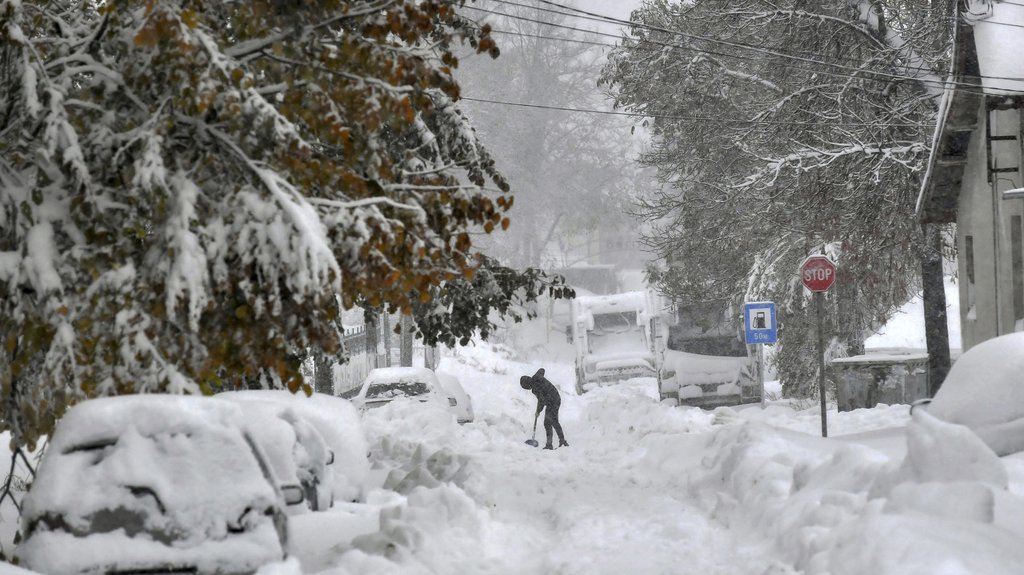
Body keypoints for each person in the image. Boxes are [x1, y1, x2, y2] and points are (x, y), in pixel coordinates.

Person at [520, 368, 568, 450]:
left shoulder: (535, 387)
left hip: (552, 401)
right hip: (554, 399)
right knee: (551, 422)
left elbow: (541, 401)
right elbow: (542, 370)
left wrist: (538, 411)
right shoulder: (536, 377)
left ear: (527, 385)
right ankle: (559, 442)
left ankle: (555, 443)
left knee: (549, 422)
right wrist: (539, 376)